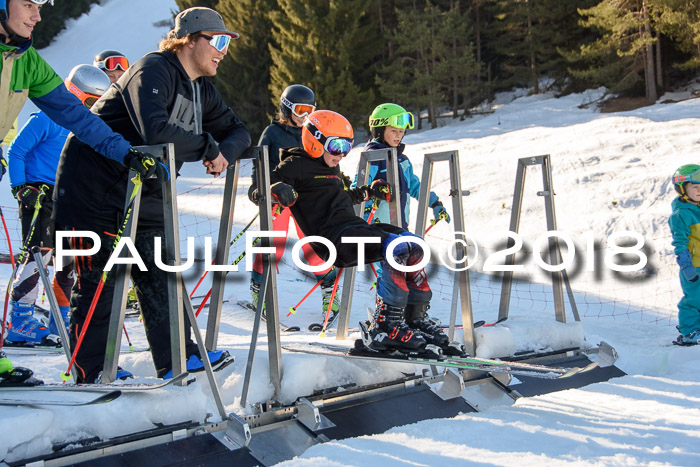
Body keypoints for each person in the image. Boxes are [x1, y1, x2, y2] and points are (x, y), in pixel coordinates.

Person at [53, 6, 251, 383]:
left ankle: (178, 358)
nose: (224, 50)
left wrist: (223, 150)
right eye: (219, 40)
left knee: (161, 276)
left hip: (146, 189)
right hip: (94, 187)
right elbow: (156, 131)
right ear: (190, 40)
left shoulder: (201, 89)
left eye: (227, 42)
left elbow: (239, 130)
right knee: (102, 282)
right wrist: (211, 147)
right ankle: (91, 370)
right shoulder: (152, 70)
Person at [252, 109, 460, 357]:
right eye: (337, 146)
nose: (342, 154)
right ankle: (385, 327)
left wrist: (368, 192)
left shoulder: (331, 168)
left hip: (350, 227)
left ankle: (412, 319)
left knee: (413, 244)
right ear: (315, 140)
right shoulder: (295, 165)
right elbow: (258, 190)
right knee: (397, 249)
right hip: (332, 240)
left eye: (347, 147)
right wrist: (276, 189)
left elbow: (340, 199)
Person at [4, 64, 110, 346]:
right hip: (39, 194)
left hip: (68, 195)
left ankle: (61, 319)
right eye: (90, 101)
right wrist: (20, 187)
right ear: (77, 93)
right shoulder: (47, 118)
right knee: (39, 256)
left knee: (67, 259)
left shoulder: (82, 124)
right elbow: (17, 150)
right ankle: (20, 322)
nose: (92, 108)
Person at [247, 84, 338, 318]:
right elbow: (261, 167)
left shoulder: (312, 131)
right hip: (279, 198)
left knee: (312, 243)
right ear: (287, 109)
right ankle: (260, 288)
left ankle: (329, 287)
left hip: (305, 199)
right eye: (300, 110)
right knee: (272, 244)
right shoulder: (272, 134)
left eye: (310, 110)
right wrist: (263, 189)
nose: (305, 116)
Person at [355, 103, 450, 230]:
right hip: (376, 229)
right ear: (379, 130)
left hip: (400, 226)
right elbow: (358, 187)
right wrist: (369, 199)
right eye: (393, 131)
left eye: (401, 131)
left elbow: (415, 186)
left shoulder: (402, 160)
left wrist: (434, 202)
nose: (398, 135)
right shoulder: (372, 158)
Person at [670, 164, 700, 345]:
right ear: (682, 189)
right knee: (693, 300)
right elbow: (679, 243)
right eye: (695, 187)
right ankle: (689, 332)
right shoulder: (680, 215)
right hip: (694, 266)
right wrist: (686, 265)